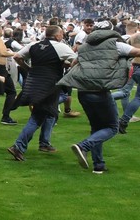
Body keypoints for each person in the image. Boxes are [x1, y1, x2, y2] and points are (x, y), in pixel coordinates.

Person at [59, 20, 140, 173]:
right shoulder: (115, 44)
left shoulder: (85, 46)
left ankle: (99, 165)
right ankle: (83, 146)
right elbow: (137, 53)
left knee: (97, 128)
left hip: (83, 92)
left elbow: (73, 64)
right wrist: (121, 61)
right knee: (112, 127)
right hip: (100, 90)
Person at [7, 25, 76, 161]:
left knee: (51, 113)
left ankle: (44, 143)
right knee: (38, 117)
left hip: (33, 82)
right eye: (61, 34)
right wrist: (66, 66)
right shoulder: (60, 46)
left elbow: (17, 57)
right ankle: (18, 146)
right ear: (57, 35)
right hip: (50, 84)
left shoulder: (34, 44)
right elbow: (76, 60)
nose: (62, 36)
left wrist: (28, 68)